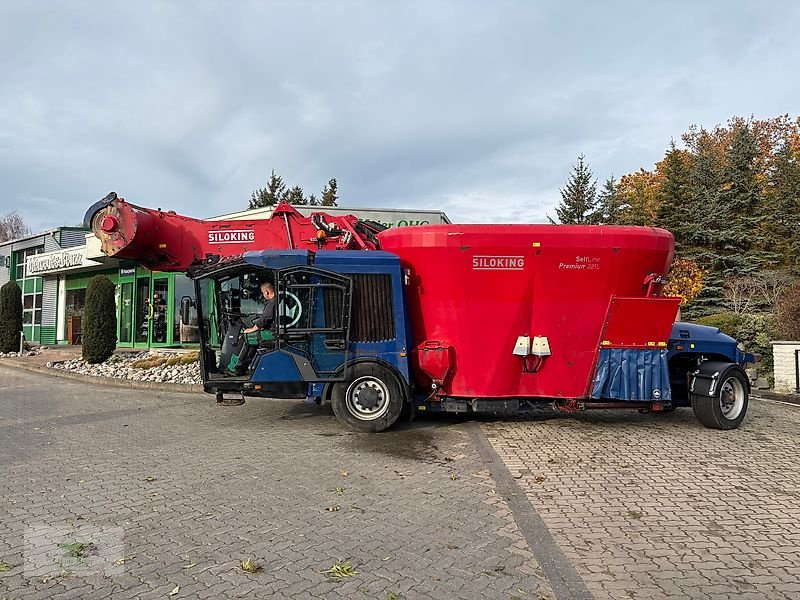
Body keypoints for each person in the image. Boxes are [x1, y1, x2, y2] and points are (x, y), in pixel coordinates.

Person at [225, 281, 276, 375]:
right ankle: (242, 368)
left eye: (263, 293)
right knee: (252, 340)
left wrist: (253, 329)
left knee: (245, 338)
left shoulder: (272, 302)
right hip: (274, 331)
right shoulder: (278, 300)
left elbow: (265, 319)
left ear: (267, 292)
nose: (263, 295)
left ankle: (234, 368)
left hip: (272, 334)